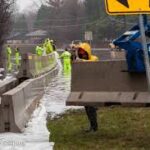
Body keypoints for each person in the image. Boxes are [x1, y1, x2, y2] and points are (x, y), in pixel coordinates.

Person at [76, 42, 99, 132]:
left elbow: (92, 63)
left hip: (93, 88)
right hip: (84, 87)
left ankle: (94, 127)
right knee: (87, 108)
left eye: (84, 53)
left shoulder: (94, 58)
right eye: (81, 54)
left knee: (91, 108)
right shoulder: (79, 60)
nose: (83, 55)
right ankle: (92, 126)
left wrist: (82, 61)